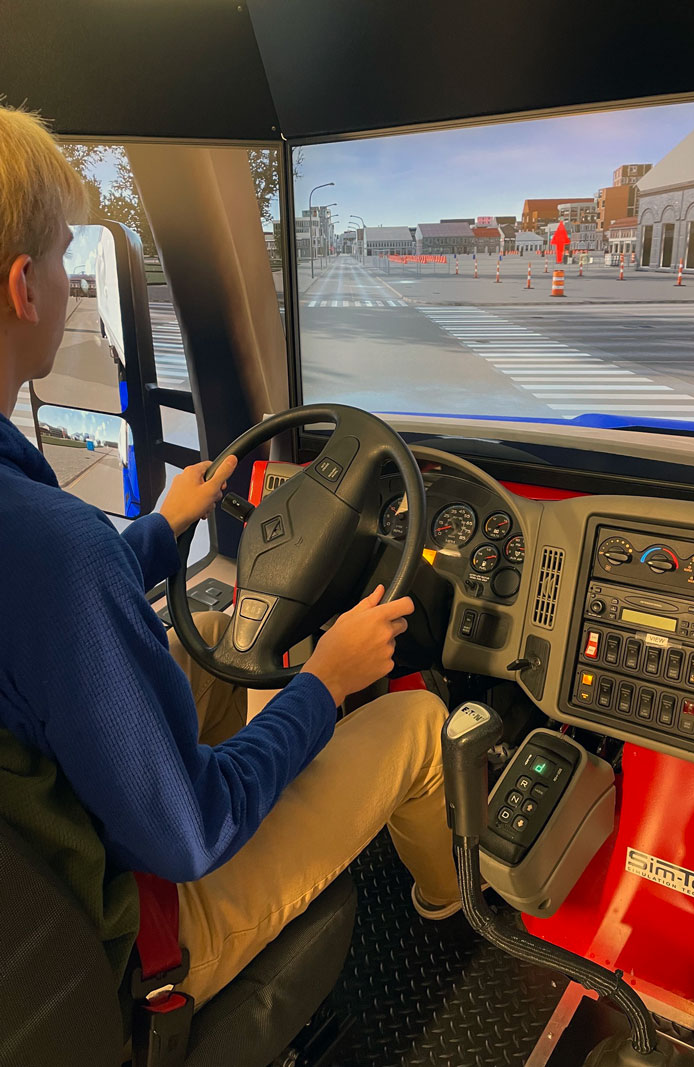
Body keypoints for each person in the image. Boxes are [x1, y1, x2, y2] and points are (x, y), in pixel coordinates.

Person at [0, 104, 461, 1015]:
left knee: (215, 622)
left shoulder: (43, 540)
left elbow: (43, 620)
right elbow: (192, 828)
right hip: (129, 947)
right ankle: (450, 919)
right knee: (417, 729)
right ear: (24, 286)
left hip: (41, 893)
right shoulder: (52, 547)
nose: (64, 277)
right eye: (61, 256)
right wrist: (325, 684)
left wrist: (161, 531)